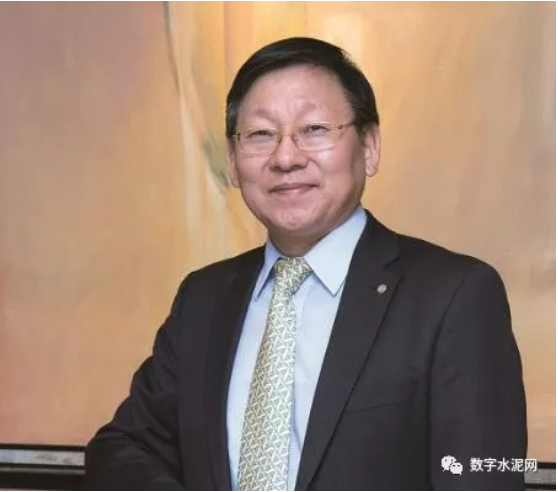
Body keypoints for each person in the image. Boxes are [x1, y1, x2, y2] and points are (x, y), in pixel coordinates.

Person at [85, 37, 527, 490]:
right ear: (233, 162)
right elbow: (122, 447)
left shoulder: (454, 296)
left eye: (314, 129)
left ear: (369, 146)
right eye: (261, 135)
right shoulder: (204, 298)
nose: (286, 157)